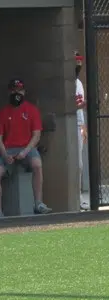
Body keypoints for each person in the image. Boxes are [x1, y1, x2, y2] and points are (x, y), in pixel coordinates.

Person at [0, 78, 52, 218]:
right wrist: (5, 155)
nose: (16, 93)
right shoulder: (2, 112)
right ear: (9, 92)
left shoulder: (32, 110)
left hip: (26, 148)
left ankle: (38, 203)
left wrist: (25, 152)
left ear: (24, 91)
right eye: (13, 90)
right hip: (7, 149)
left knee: (37, 164)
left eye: (19, 90)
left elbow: (36, 135)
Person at [75, 50, 89, 210]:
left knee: (79, 165)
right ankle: (73, 199)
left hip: (78, 124)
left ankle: (78, 198)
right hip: (68, 125)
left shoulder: (78, 83)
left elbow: (79, 109)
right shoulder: (66, 83)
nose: (78, 65)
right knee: (75, 164)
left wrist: (84, 126)